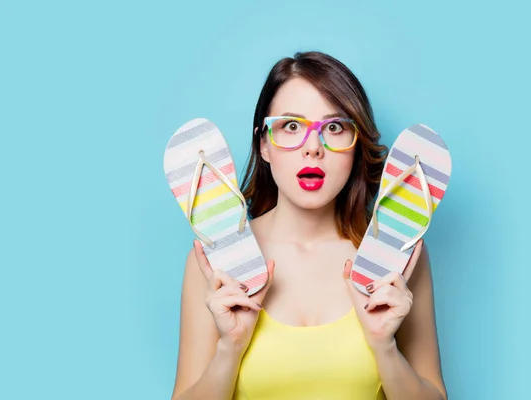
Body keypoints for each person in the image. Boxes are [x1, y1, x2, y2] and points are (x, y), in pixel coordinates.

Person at [170, 51, 448, 400]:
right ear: (264, 145)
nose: (313, 147)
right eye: (290, 126)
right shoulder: (213, 265)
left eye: (334, 127)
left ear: (356, 144)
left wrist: (384, 347)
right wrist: (231, 347)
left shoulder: (400, 258)